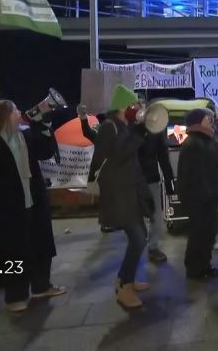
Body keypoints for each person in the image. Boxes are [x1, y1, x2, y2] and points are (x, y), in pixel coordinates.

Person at [0, 100, 65, 313]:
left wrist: (45, 126)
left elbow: (46, 152)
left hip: (33, 201)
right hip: (8, 208)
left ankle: (42, 286)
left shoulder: (25, 135)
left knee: (40, 245)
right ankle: (15, 295)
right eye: (15, 110)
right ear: (3, 116)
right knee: (14, 252)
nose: (20, 113)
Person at [89, 84, 153, 308]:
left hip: (129, 193)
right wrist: (139, 132)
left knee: (140, 237)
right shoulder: (109, 127)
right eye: (134, 105)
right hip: (119, 195)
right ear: (122, 107)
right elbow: (118, 156)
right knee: (137, 239)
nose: (137, 108)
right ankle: (124, 289)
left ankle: (125, 279)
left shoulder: (123, 126)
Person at [177, 109, 218, 279]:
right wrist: (206, 195)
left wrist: (215, 134)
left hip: (210, 197)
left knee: (208, 233)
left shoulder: (208, 139)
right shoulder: (193, 143)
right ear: (198, 121)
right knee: (199, 234)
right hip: (200, 199)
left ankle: (205, 265)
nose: (211, 120)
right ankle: (195, 269)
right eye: (208, 118)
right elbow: (193, 176)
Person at [139, 118, 175, 264]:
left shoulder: (156, 130)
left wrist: (169, 182)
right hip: (131, 180)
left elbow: (163, 156)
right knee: (135, 218)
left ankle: (153, 248)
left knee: (156, 216)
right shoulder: (128, 130)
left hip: (151, 179)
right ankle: (137, 247)